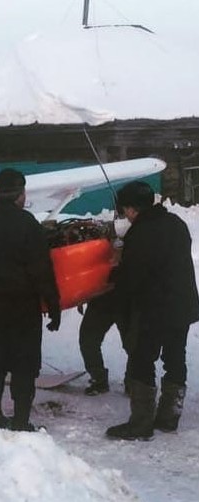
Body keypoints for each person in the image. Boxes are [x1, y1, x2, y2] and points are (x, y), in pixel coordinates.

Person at [0, 168, 61, 432]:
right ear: (21, 194)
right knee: (25, 361)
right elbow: (42, 269)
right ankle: (20, 420)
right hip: (24, 305)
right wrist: (53, 305)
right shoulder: (28, 224)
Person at [106, 181, 199, 440]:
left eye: (125, 211)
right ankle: (169, 417)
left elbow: (133, 276)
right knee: (175, 358)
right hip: (181, 305)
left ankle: (140, 424)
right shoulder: (176, 224)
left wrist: (115, 274)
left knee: (142, 360)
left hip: (153, 309)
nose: (126, 216)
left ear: (133, 209)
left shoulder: (141, 233)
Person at [78, 290, 127, 395]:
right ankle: (99, 379)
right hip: (101, 297)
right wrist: (79, 295)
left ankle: (136, 383)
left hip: (128, 296)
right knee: (88, 339)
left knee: (134, 344)